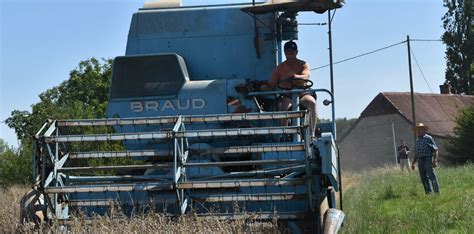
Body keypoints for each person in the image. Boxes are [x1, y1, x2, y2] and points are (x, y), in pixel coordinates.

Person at [260, 41, 317, 137]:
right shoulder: (279, 69)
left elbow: (306, 76)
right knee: (284, 108)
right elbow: (271, 84)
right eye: (287, 53)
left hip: (302, 94)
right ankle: (286, 135)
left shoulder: (303, 64)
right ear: (284, 53)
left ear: (296, 52)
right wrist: (265, 87)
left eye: (292, 53)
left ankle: (312, 133)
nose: (290, 55)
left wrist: (295, 76)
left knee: (311, 102)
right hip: (287, 95)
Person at [411, 123, 440, 194]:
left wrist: (435, 160)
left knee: (431, 176)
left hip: (428, 159)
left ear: (424, 130)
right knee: (423, 178)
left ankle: (436, 193)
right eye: (417, 129)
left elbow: (435, 149)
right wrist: (413, 163)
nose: (418, 131)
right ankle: (428, 193)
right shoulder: (417, 140)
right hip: (420, 160)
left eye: (420, 129)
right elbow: (416, 153)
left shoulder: (428, 138)